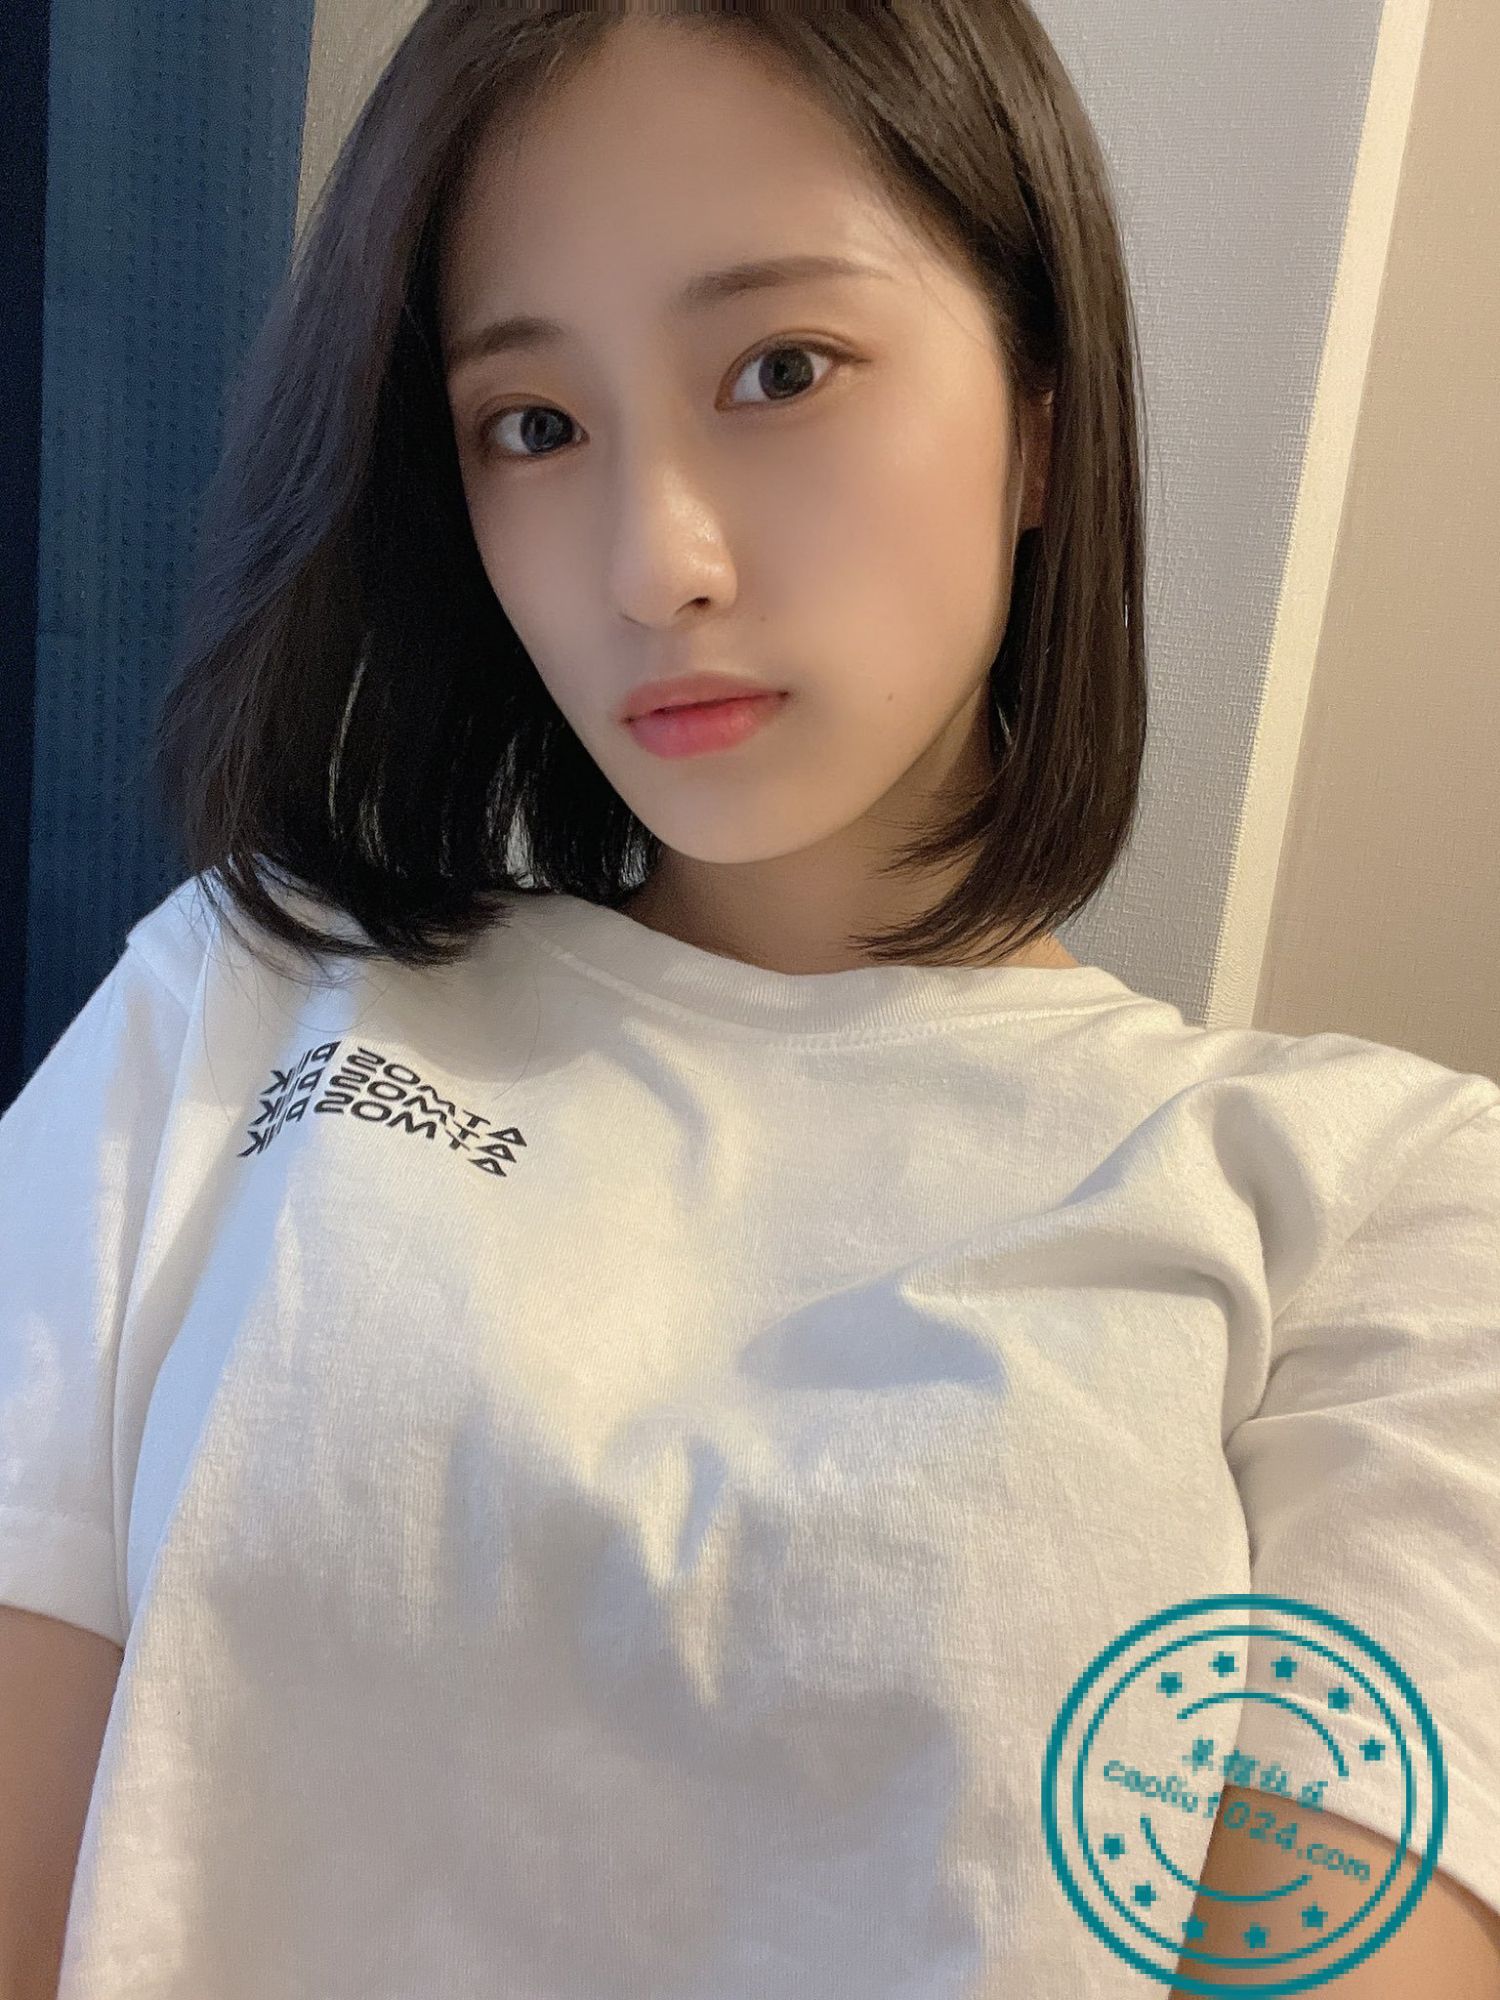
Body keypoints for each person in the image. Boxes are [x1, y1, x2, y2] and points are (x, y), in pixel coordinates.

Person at [2, 6, 1498, 1997]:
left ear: (1044, 417)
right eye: (533, 424)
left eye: (781, 370)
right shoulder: (239, 1001)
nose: (655, 563)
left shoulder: (1384, 1199)